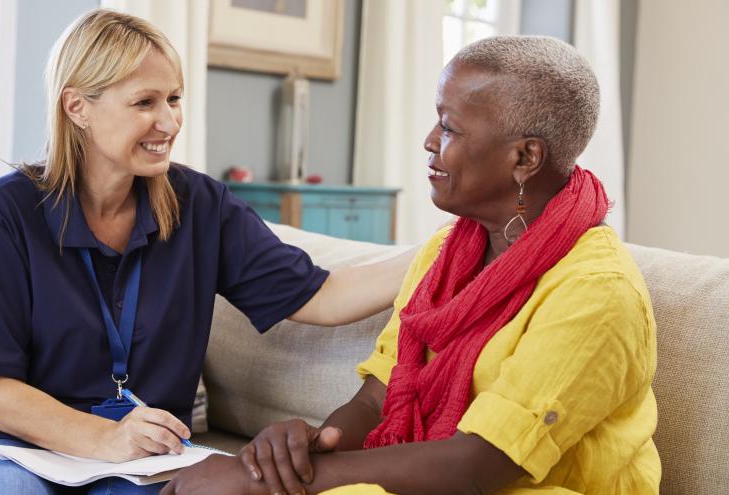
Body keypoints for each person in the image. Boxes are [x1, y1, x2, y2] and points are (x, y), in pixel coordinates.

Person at [0, 9, 417, 495]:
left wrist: (443, 247)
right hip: (10, 447)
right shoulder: (5, 211)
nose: (168, 121)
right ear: (77, 107)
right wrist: (107, 437)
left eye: (174, 98)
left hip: (140, 460)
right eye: (145, 102)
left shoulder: (201, 205)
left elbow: (323, 295)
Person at [163, 35, 660, 495]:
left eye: (449, 126)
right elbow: (376, 401)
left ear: (525, 157)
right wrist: (308, 448)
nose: (428, 140)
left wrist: (267, 481)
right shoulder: (446, 252)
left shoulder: (597, 291)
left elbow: (480, 464)